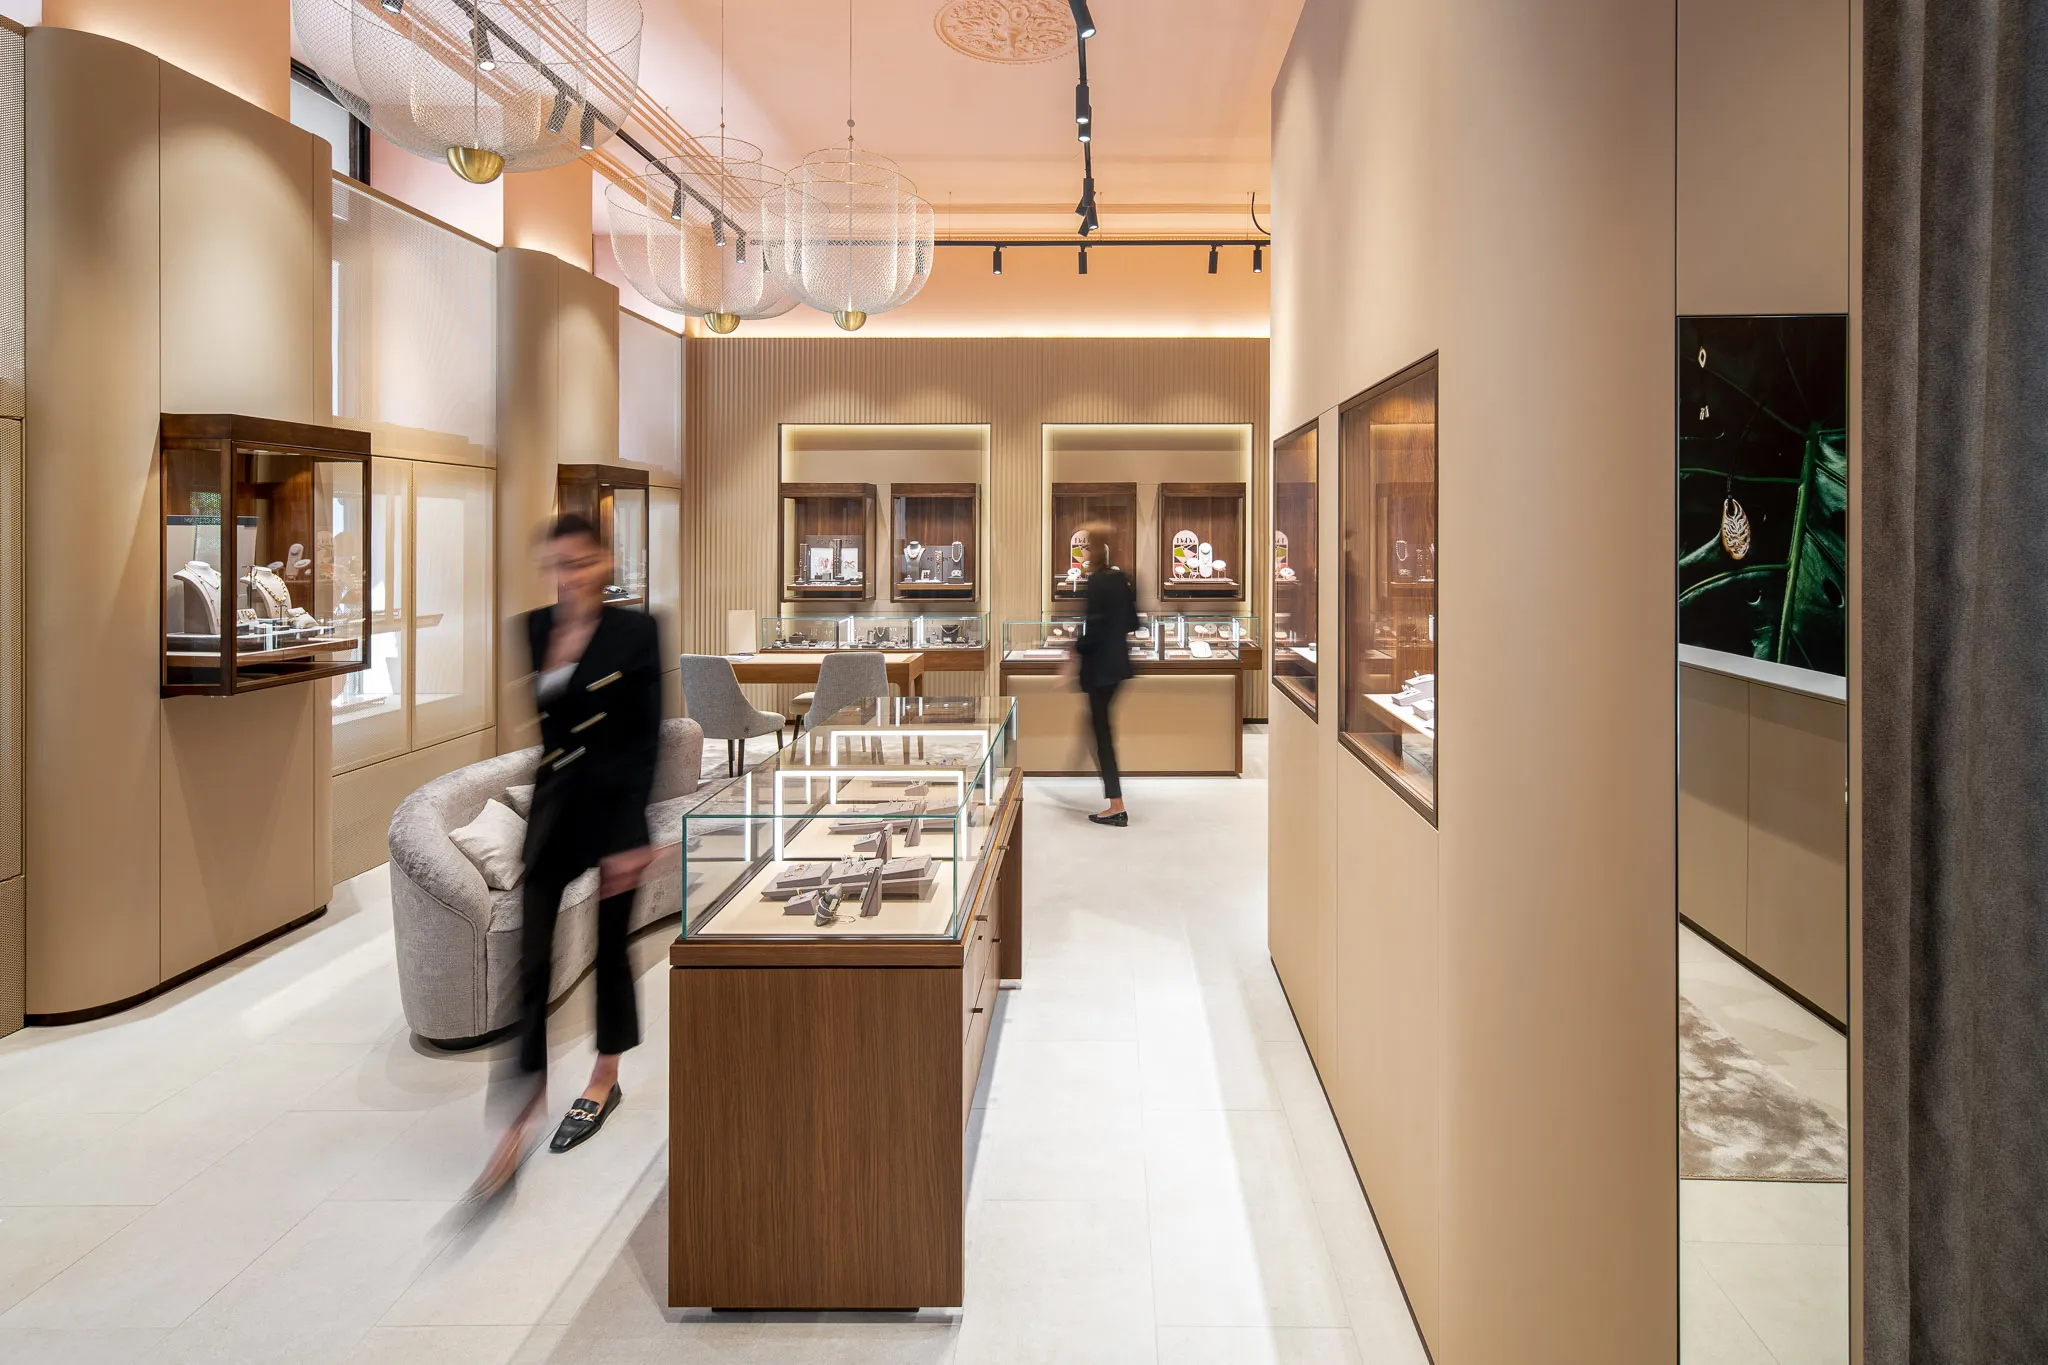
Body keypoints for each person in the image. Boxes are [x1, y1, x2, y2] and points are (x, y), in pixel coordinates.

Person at [471, 513, 663, 1199]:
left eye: (582, 562)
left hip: (613, 813)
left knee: (612, 949)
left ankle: (604, 1076)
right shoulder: (530, 628)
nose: (571, 575)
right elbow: (552, 735)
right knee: (530, 960)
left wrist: (631, 836)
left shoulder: (637, 632)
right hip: (554, 813)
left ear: (604, 562)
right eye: (559, 563)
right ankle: (519, 1110)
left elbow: (643, 742)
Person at [1074, 522, 1140, 826]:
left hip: (1099, 669)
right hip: (1118, 667)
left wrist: (1075, 646)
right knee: (1100, 732)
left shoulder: (1097, 582)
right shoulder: (1120, 579)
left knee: (1102, 736)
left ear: (1093, 549)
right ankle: (1115, 801)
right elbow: (1132, 623)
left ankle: (1116, 805)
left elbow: (1093, 630)